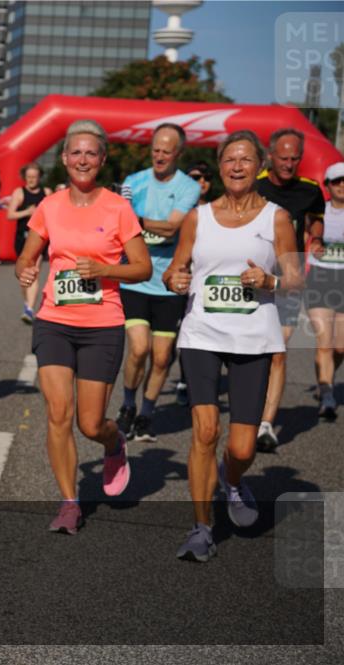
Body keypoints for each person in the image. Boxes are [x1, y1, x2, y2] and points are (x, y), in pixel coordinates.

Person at [164, 130, 302, 562]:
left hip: (253, 339)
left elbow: (295, 278)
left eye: (245, 160)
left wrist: (270, 281)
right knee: (205, 432)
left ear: (258, 165)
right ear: (220, 166)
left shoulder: (275, 218)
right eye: (229, 160)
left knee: (241, 448)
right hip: (201, 334)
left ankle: (233, 480)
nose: (236, 167)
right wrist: (175, 280)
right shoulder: (198, 217)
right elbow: (175, 269)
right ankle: (201, 528)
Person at [16, 119, 151, 534]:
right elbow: (27, 256)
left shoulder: (117, 207)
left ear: (102, 159)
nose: (83, 159)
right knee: (58, 412)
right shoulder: (49, 206)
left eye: (91, 153)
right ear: (64, 159)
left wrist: (105, 268)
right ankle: (69, 502)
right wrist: (24, 270)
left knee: (89, 424)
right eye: (76, 152)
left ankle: (114, 443)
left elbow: (143, 267)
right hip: (54, 321)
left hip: (102, 324)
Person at [115, 124, 200, 442]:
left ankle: (147, 413)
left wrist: (136, 221)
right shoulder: (133, 182)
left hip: (169, 282)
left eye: (167, 150)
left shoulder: (188, 187)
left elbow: (172, 228)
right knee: (139, 347)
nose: (160, 155)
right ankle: (127, 405)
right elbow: (120, 224)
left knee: (162, 356)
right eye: (155, 149)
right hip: (135, 279)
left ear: (178, 153)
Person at [254, 128, 325, 451]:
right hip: (252, 278)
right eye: (283, 158)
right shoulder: (255, 185)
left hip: (288, 280)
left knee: (277, 350)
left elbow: (315, 219)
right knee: (252, 352)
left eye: (295, 158)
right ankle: (249, 409)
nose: (289, 164)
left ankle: (266, 424)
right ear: (271, 156)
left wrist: (317, 238)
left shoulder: (309, 190)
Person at [169, 160, 215, 405]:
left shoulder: (217, 210)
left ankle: (188, 379)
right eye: (196, 177)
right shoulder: (176, 208)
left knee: (195, 332)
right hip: (176, 278)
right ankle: (166, 367)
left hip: (203, 280)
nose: (201, 182)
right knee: (168, 340)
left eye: (206, 178)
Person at [304, 162, 344, 420]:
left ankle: (326, 374)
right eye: (337, 181)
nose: (342, 185)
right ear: (328, 186)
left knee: (340, 347)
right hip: (320, 278)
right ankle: (327, 394)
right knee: (325, 342)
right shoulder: (318, 213)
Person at [7, 162, 52, 323]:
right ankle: (27, 302)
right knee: (24, 274)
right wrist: (27, 212)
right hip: (22, 238)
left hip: (40, 238)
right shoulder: (19, 193)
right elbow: (10, 214)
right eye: (29, 177)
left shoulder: (46, 192)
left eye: (34, 177)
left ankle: (30, 309)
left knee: (35, 271)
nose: (31, 180)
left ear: (40, 177)